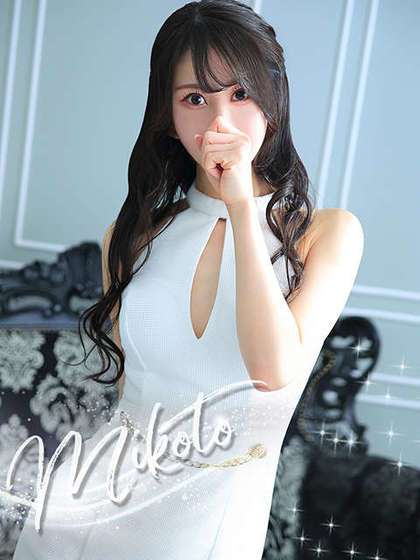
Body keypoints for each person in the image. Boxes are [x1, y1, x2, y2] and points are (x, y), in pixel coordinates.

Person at [12, 0, 364, 558]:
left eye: (240, 94)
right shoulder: (131, 237)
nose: (219, 123)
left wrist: (242, 206)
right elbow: (136, 401)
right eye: (195, 99)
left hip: (210, 529)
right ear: (169, 116)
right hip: (84, 514)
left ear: (273, 101)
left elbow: (273, 371)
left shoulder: (326, 234)